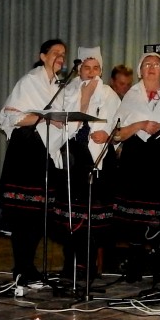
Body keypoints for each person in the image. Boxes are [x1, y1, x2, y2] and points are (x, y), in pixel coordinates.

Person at [0, 38, 69, 287]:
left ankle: (30, 266)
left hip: (44, 153)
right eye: (55, 52)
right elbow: (11, 117)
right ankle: (21, 267)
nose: (60, 57)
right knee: (23, 214)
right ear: (43, 56)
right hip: (26, 150)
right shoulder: (30, 81)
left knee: (39, 214)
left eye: (63, 54)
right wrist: (44, 117)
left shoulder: (58, 87)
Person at [111, 52, 160, 284]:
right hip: (135, 158)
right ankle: (134, 261)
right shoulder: (131, 96)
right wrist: (140, 124)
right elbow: (117, 133)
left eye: (156, 64)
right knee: (135, 214)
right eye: (146, 64)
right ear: (139, 71)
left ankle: (159, 263)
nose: (151, 68)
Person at [49, 47, 120, 288]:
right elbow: (66, 123)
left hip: (96, 159)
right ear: (79, 70)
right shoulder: (68, 91)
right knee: (70, 213)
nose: (91, 72)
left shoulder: (109, 93)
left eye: (95, 68)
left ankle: (86, 265)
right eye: (86, 68)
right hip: (72, 157)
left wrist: (107, 134)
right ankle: (69, 262)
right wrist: (85, 96)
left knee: (90, 216)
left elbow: (116, 123)